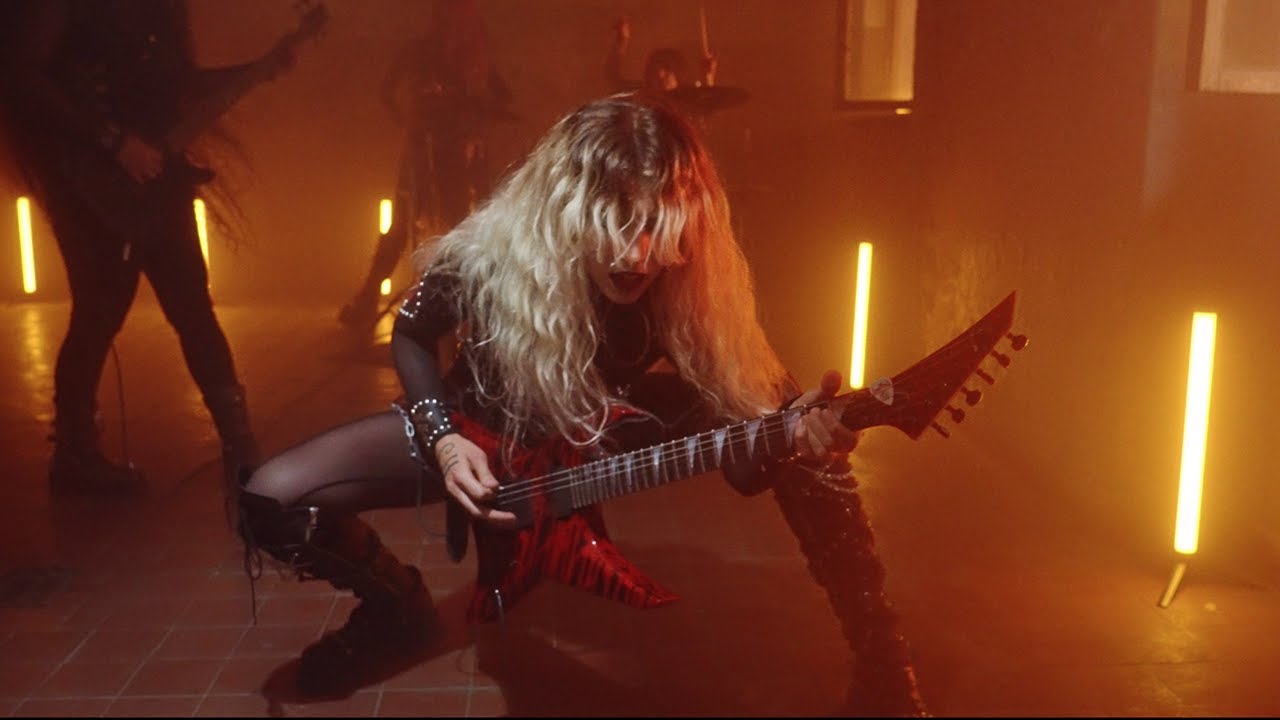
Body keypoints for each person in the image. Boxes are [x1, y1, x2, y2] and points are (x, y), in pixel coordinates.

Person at [236, 92, 860, 696]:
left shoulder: (684, 282)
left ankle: (879, 651)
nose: (637, 255)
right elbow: (413, 330)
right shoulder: (494, 253)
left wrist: (789, 439)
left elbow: (746, 472)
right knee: (272, 496)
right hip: (473, 427)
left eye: (654, 225)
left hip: (583, 437)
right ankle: (396, 606)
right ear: (566, 209)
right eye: (614, 222)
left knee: (787, 410)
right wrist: (444, 439)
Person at [0, 0, 296, 497]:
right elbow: (23, 77)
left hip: (159, 178)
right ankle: (74, 453)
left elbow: (178, 83)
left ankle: (239, 442)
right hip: (90, 183)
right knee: (100, 313)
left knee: (192, 306)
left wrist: (256, 69)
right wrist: (113, 142)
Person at [338, 0, 514, 331]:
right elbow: (387, 92)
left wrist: (478, 111)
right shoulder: (419, 51)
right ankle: (368, 299)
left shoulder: (475, 56)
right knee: (404, 222)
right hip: (423, 149)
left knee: (462, 223)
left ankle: (470, 302)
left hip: (462, 153)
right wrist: (410, 120)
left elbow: (503, 96)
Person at [605, 15, 718, 96]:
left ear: (678, 75)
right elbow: (614, 78)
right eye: (654, 71)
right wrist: (621, 41)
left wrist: (708, 77)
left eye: (667, 69)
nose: (659, 74)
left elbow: (707, 104)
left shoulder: (686, 99)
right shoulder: (643, 94)